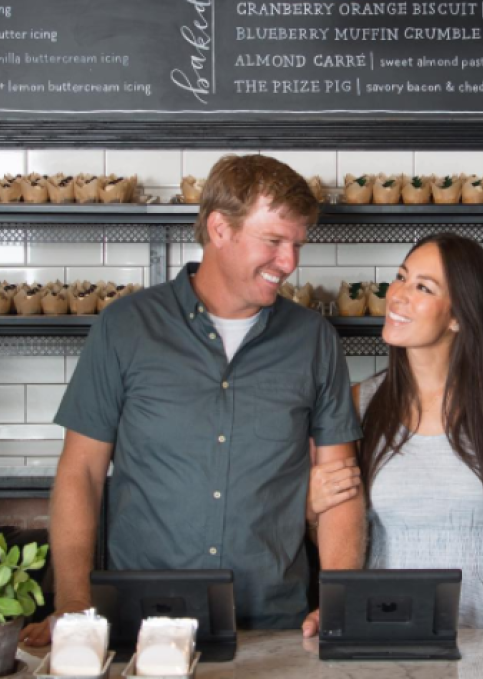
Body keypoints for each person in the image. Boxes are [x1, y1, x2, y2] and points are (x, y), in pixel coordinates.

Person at [21, 154, 366, 645]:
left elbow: (339, 487)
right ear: (219, 228)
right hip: (144, 623)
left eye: (296, 245)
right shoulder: (126, 327)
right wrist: (74, 602)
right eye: (273, 241)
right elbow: (81, 473)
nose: (289, 263)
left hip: (272, 627)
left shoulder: (314, 340)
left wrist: (340, 598)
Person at [303, 234, 483, 634]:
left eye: (422, 287)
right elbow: (341, 536)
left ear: (459, 316)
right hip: (384, 619)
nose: (397, 295)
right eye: (400, 278)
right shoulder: (361, 401)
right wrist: (312, 510)